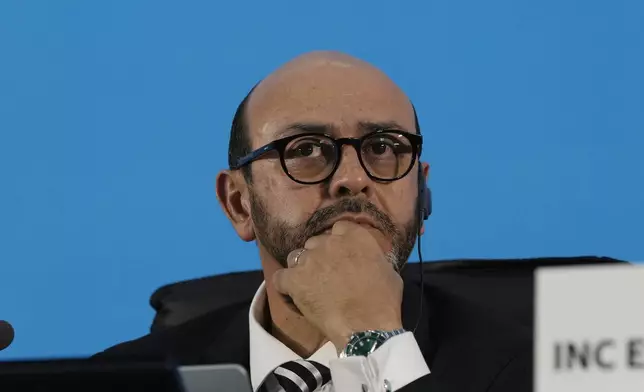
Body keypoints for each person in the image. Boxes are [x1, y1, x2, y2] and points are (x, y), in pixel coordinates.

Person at [95, 51, 531, 391]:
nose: (352, 178)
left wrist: (373, 342)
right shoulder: (122, 381)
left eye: (382, 146)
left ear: (421, 194)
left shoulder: (533, 372)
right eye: (304, 149)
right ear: (238, 204)